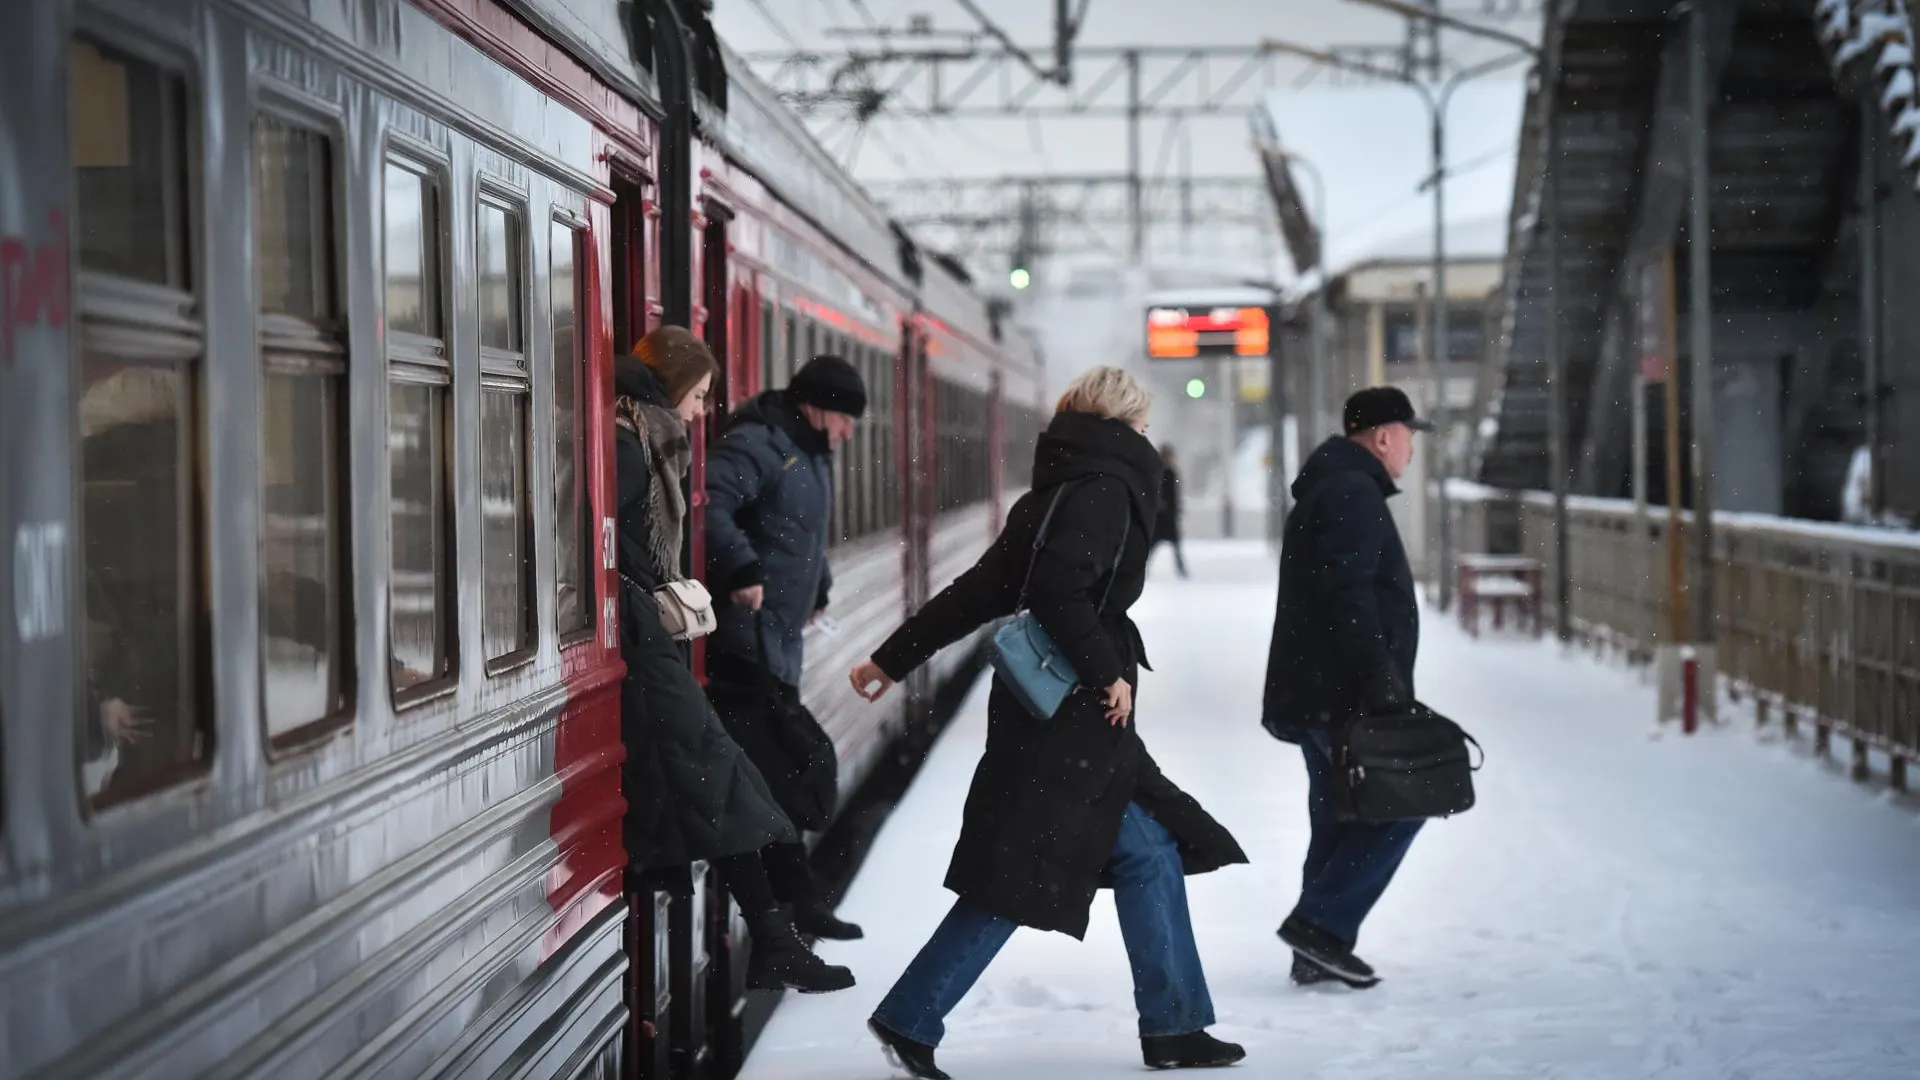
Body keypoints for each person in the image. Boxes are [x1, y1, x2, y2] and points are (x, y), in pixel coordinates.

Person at [847, 367, 1249, 1079]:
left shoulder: (1058, 489)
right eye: (1143, 420)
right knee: (1028, 868)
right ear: (1124, 423)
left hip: (1055, 711)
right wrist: (1107, 672)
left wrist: (891, 659)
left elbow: (985, 588)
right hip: (1076, 711)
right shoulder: (1104, 490)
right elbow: (1059, 593)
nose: (1148, 434)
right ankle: (912, 1017)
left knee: (1137, 852)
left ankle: (1175, 1024)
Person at [615, 326, 854, 994]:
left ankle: (781, 930)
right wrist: (738, 567)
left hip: (652, 640)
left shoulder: (645, 440)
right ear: (671, 386)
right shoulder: (629, 449)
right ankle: (780, 933)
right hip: (643, 643)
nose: (702, 410)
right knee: (728, 782)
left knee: (729, 783)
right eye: (698, 395)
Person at [1261, 385, 1431, 990]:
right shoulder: (1352, 493)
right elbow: (1349, 596)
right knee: (1408, 799)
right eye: (1409, 436)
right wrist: (1381, 684)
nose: (1412, 448)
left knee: (1338, 818)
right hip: (1343, 696)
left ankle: (1318, 947)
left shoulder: (1335, 486)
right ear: (1384, 437)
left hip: (1321, 692)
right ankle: (1319, 926)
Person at [703, 354, 868, 941]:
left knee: (776, 779)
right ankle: (793, 910)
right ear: (817, 406)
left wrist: (817, 579)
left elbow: (797, 532)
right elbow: (709, 506)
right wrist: (740, 567)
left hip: (776, 644)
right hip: (741, 649)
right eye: (846, 418)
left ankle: (793, 910)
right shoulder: (758, 446)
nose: (849, 432)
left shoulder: (807, 455)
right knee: (787, 773)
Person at [1152, 442, 1189, 578]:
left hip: (1167, 516)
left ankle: (1181, 569)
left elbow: (1174, 495)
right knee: (1154, 546)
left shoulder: (1168, 472)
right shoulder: (1160, 472)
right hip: (1162, 517)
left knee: (1175, 546)